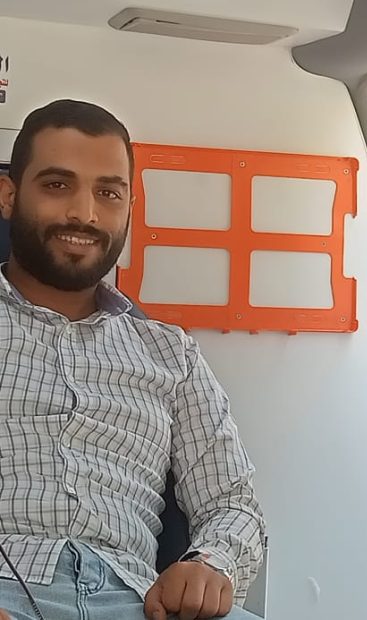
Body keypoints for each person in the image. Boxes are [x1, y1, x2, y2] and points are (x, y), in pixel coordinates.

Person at [0, 99, 264, 620]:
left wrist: (210, 563)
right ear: (9, 196)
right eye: (57, 185)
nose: (84, 213)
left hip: (140, 600)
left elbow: (232, 500)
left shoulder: (172, 355)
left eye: (108, 193)